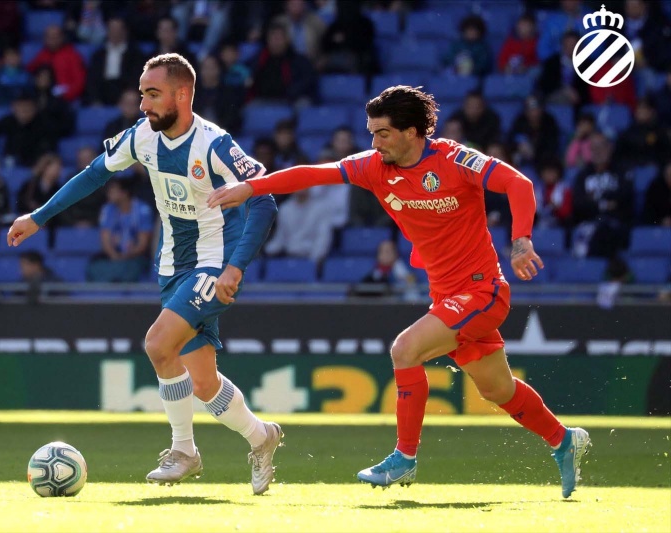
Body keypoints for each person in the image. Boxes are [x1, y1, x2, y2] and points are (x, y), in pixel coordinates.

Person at [207, 85, 591, 499]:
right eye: (372, 133)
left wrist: (521, 241)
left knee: (404, 350)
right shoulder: (374, 167)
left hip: (483, 292)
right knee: (498, 389)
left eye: (383, 133)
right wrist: (252, 187)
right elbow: (313, 174)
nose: (375, 143)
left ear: (412, 132)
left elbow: (518, 184)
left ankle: (404, 458)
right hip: (447, 298)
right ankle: (565, 440)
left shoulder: (455, 159)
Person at [6, 53, 283, 494]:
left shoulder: (214, 144)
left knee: (157, 344)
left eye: (153, 94)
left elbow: (264, 199)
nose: (143, 104)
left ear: (182, 95)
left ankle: (184, 451)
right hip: (171, 267)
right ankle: (261, 436)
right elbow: (93, 175)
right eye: (142, 94)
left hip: (213, 263)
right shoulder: (142, 137)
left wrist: (235, 267)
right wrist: (39, 217)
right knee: (204, 383)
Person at [87, 178, 154, 282]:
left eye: (113, 190)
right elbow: (105, 239)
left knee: (131, 268)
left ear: (124, 193)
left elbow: (142, 244)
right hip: (113, 257)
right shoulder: (107, 209)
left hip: (135, 257)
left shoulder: (142, 209)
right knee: (95, 267)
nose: (109, 193)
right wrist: (115, 256)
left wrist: (127, 255)